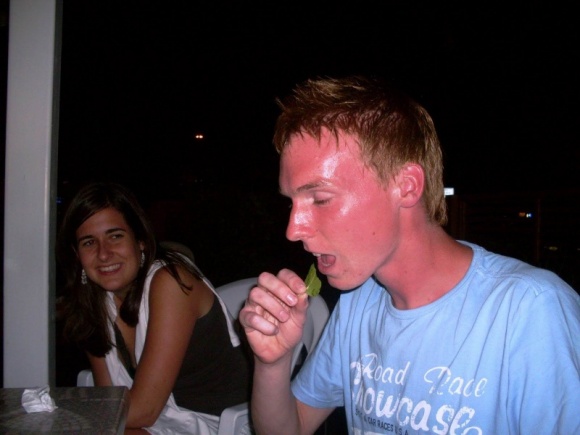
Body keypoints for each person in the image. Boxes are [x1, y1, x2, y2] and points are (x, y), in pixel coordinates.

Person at [239, 75, 580, 434]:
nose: (293, 229)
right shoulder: (358, 304)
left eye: (320, 199)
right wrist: (273, 364)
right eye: (291, 203)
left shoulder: (530, 310)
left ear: (406, 186)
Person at [57, 182, 252, 434]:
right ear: (77, 254)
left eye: (115, 236)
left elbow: (143, 410)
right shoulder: (93, 303)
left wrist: (60, 414)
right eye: (88, 242)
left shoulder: (170, 282)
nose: (103, 254)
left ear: (140, 241)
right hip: (158, 424)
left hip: (223, 425)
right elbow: (110, 398)